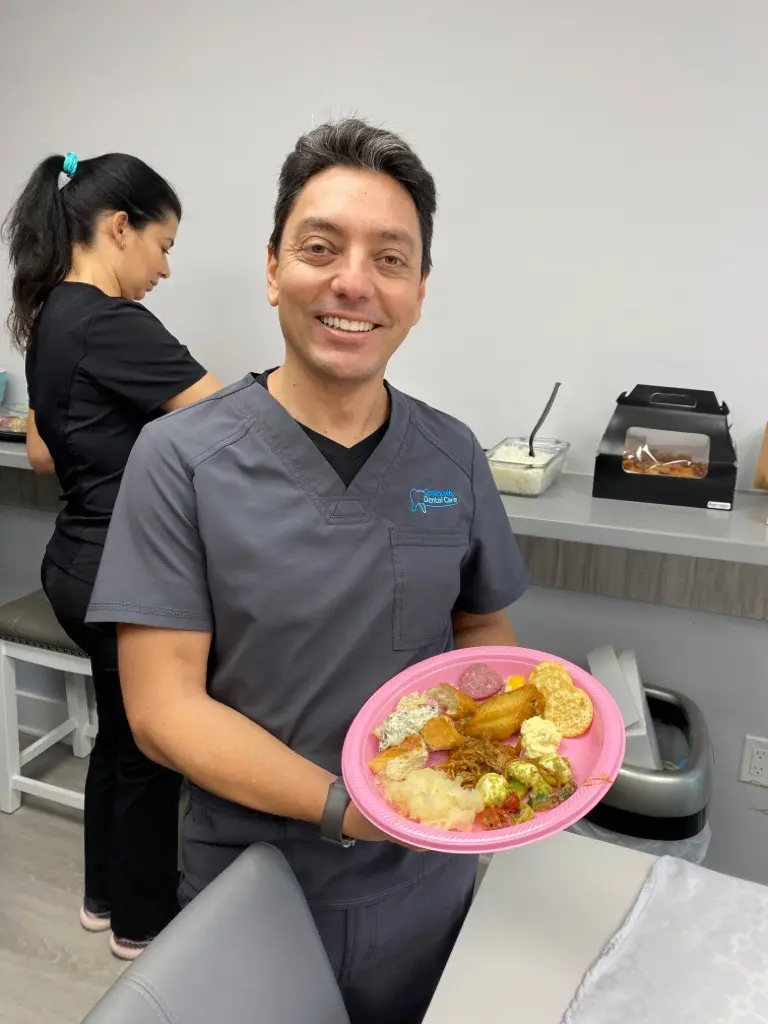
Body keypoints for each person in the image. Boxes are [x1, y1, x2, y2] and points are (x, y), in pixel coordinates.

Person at [87, 119, 528, 1019]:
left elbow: (482, 628)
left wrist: (501, 750)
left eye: (390, 259)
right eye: (320, 247)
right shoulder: (181, 460)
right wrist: (352, 805)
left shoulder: (452, 459)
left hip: (428, 883)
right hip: (254, 886)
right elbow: (162, 708)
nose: (353, 282)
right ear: (272, 269)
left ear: (420, 291)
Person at [2, 150, 222, 959]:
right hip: (121, 573)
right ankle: (141, 925)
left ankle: (103, 896)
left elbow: (40, 456)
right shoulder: (113, 321)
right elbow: (230, 429)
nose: (165, 267)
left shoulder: (46, 316)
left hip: (72, 563)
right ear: (119, 226)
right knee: (152, 750)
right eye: (163, 245)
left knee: (120, 742)